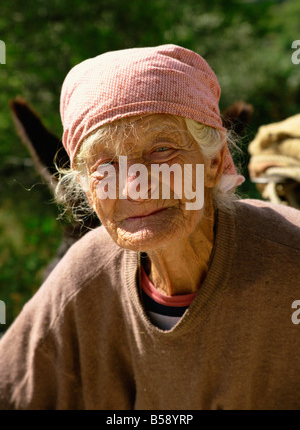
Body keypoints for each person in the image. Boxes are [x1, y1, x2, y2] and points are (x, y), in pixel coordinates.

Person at [1, 44, 300, 410]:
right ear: (88, 190)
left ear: (214, 161)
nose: (134, 187)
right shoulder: (85, 277)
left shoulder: (291, 259)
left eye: (161, 151)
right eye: (105, 164)